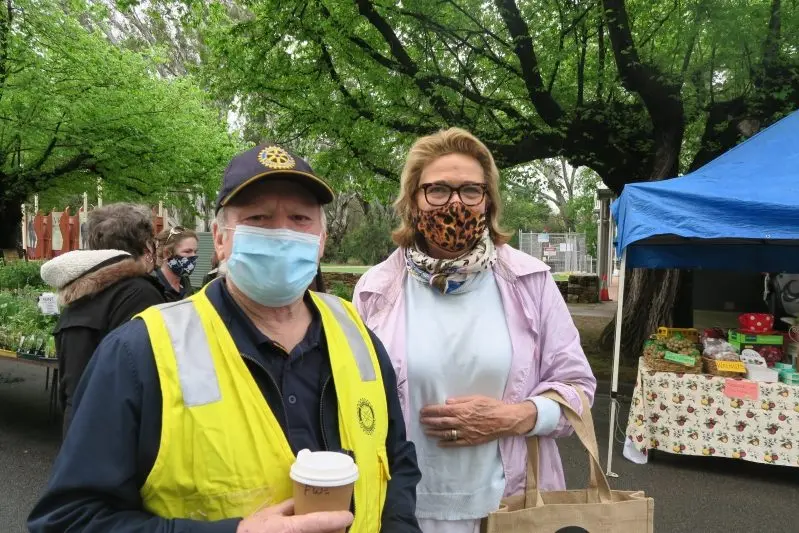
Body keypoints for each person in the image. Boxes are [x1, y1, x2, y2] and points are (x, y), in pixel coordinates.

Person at [29, 143, 422, 533]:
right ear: (219, 238)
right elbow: (68, 519)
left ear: (321, 240)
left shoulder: (355, 330)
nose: (282, 233)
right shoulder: (140, 353)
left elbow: (396, 457)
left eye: (301, 218)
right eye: (258, 218)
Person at [352, 128, 597, 533]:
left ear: (488, 200)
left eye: (470, 191)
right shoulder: (375, 290)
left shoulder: (530, 282)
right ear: (413, 200)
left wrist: (516, 416)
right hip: (405, 510)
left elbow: (578, 391)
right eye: (438, 190)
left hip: (512, 507)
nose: (455, 204)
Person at [39, 203, 165, 437]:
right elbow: (144, 379)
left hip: (78, 423)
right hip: (117, 431)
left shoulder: (79, 292)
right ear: (146, 245)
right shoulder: (141, 293)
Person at [153, 225, 198, 301]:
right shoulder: (154, 285)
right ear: (167, 253)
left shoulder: (185, 282)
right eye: (187, 251)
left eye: (195, 252)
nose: (194, 256)